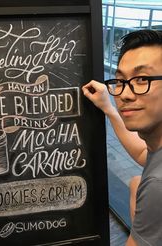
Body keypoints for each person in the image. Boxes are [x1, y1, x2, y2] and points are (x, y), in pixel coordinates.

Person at [82, 29, 162, 246]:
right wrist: (108, 108)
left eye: (142, 79)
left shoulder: (157, 186)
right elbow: (143, 153)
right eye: (121, 81)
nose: (125, 94)